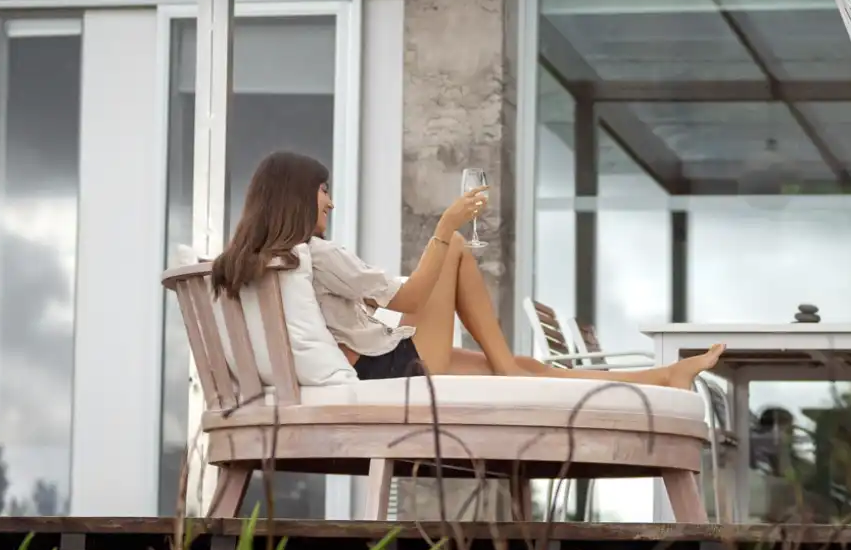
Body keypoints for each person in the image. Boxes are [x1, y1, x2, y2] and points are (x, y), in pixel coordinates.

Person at [211, 151, 724, 389]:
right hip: (383, 373)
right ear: (298, 196)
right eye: (324, 192)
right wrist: (445, 224)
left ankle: (664, 376)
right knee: (454, 247)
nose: (331, 204)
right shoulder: (311, 254)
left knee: (529, 368)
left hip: (375, 363)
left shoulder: (250, 266)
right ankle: (504, 372)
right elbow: (410, 299)